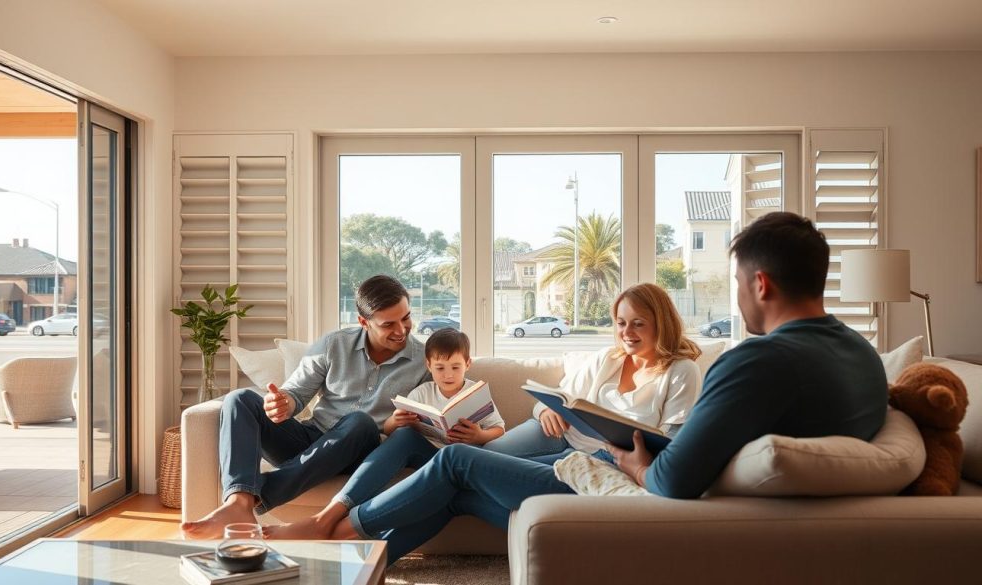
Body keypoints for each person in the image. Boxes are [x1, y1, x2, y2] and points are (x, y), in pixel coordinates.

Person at [279, 211, 889, 565]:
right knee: (458, 490)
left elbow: (673, 476)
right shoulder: (863, 358)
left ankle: (335, 535)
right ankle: (365, 563)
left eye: (733, 281)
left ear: (758, 284)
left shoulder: (755, 362)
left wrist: (623, 453)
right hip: (785, 533)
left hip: (643, 506)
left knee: (459, 462)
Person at [181, 274, 432, 539]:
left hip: (363, 448)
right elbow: (295, 393)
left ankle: (254, 496)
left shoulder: (423, 360)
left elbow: (429, 411)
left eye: (406, 318)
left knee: (359, 422)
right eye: (388, 324)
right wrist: (282, 404)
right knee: (239, 399)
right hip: (313, 440)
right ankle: (238, 503)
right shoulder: (333, 344)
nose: (402, 330)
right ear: (363, 322)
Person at [266, 328, 505, 539]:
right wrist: (397, 421)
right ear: (429, 366)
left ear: (468, 364)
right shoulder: (423, 391)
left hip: (463, 458)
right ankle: (329, 517)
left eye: (455, 367)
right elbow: (390, 431)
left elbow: (499, 428)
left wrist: (479, 436)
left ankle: (329, 527)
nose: (448, 375)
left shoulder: (476, 392)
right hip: (430, 456)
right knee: (403, 436)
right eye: (440, 368)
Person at [484, 283, 702, 465]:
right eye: (621, 323)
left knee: (477, 469)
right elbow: (561, 396)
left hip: (599, 458)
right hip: (559, 432)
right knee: (485, 455)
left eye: (638, 324)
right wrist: (545, 411)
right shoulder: (608, 358)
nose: (626, 333)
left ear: (661, 325)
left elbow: (672, 441)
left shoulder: (682, 371)